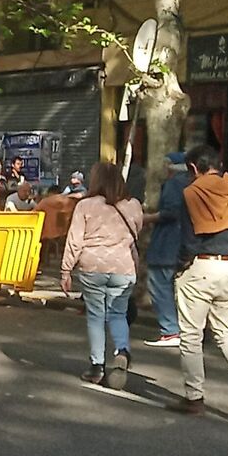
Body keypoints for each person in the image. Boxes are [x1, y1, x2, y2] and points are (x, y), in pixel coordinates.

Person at [173, 145, 228, 422]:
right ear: (219, 164)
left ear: (193, 168)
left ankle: (194, 398)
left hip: (201, 266)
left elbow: (188, 243)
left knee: (191, 336)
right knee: (227, 331)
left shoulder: (191, 194)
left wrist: (179, 269)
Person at [59, 162, 143, 386]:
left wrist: (65, 271)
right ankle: (122, 350)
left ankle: (97, 366)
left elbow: (74, 241)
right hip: (124, 267)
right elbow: (137, 233)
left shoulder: (85, 206)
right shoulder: (133, 205)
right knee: (118, 313)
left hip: (92, 267)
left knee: (96, 316)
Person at [142, 153, 189, 349]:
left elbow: (171, 211)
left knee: (159, 283)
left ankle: (170, 330)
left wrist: (148, 218)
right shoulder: (192, 183)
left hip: (167, 243)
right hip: (187, 242)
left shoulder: (173, 184)